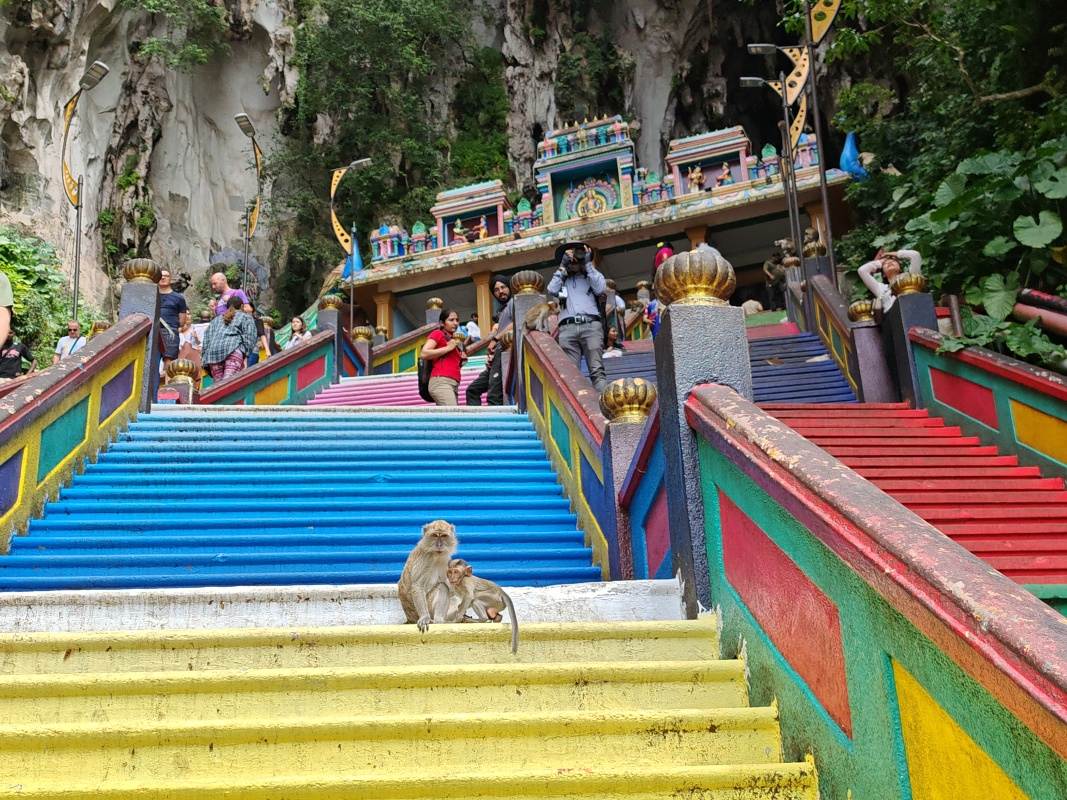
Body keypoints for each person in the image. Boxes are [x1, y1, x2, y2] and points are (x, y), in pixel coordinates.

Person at [547, 242, 608, 392]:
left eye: (577, 255)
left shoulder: (591, 276)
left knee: (597, 371)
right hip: (567, 328)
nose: (574, 260)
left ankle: (603, 402)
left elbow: (600, 289)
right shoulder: (562, 280)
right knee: (571, 375)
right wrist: (562, 266)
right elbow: (551, 289)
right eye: (570, 256)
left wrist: (587, 264)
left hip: (591, 325)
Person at [201, 296, 257, 381]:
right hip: (233, 351)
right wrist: (244, 352)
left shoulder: (215, 320)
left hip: (213, 355)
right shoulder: (245, 317)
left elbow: (206, 340)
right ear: (242, 306)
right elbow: (250, 337)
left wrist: (205, 360)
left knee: (219, 386)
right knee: (229, 383)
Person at [421, 308, 467, 406]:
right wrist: (448, 348)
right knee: (453, 414)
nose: (455, 323)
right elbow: (424, 353)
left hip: (453, 383)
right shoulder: (438, 333)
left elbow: (450, 363)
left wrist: (462, 361)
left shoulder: (455, 341)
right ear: (442, 323)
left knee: (449, 414)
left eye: (457, 320)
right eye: (451, 320)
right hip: (441, 382)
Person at [858, 248, 923, 314]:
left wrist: (888, 254)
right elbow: (862, 270)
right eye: (885, 264)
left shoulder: (911, 277)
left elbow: (915, 255)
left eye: (893, 261)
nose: (889, 263)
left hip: (916, 311)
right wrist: (880, 261)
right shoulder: (881, 288)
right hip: (894, 317)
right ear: (883, 274)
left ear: (900, 268)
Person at [158, 268, 188, 368]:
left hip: (170, 331)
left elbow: (182, 319)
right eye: (161, 276)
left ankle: (168, 378)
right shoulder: (152, 296)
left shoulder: (178, 298)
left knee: (169, 361)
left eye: (166, 276)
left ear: (170, 279)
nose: (163, 278)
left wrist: (175, 327)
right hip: (153, 331)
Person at [465, 337, 503, 406]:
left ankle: (496, 412)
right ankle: (476, 413)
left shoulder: (496, 339)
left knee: (494, 396)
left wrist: (495, 339)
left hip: (502, 349)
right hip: (496, 354)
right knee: (472, 390)